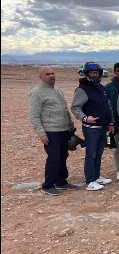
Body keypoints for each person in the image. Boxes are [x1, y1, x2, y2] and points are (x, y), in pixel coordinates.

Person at [29, 66, 77, 196]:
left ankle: (61, 181)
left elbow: (65, 110)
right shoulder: (36, 92)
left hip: (64, 130)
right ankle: (48, 185)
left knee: (63, 156)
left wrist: (70, 125)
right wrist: (41, 134)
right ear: (40, 77)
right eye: (47, 74)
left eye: (52, 73)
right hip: (51, 131)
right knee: (54, 157)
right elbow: (34, 116)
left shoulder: (58, 90)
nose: (51, 76)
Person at [71, 62, 115, 191]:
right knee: (91, 154)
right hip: (91, 129)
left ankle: (96, 176)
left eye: (96, 73)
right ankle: (90, 181)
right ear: (87, 74)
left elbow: (108, 106)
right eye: (92, 73)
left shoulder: (101, 88)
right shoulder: (82, 89)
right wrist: (85, 118)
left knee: (99, 153)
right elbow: (75, 107)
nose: (94, 75)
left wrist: (110, 122)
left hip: (103, 126)